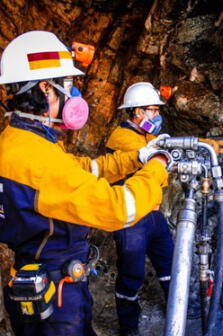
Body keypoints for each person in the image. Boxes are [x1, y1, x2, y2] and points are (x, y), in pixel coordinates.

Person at [0, 31, 171, 335]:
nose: (74, 95)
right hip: (59, 299)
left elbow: (84, 169)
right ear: (45, 88)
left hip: (32, 282)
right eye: (68, 85)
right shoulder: (38, 161)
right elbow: (120, 208)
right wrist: (158, 166)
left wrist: (139, 157)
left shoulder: (16, 142)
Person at [106, 82, 223, 336]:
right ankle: (128, 326)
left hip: (152, 212)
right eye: (151, 110)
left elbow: (165, 142)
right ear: (136, 112)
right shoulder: (122, 138)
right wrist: (201, 146)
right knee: (132, 274)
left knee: (169, 261)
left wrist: (205, 142)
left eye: (157, 110)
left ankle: (179, 307)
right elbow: (163, 150)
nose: (157, 116)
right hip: (129, 219)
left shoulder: (146, 135)